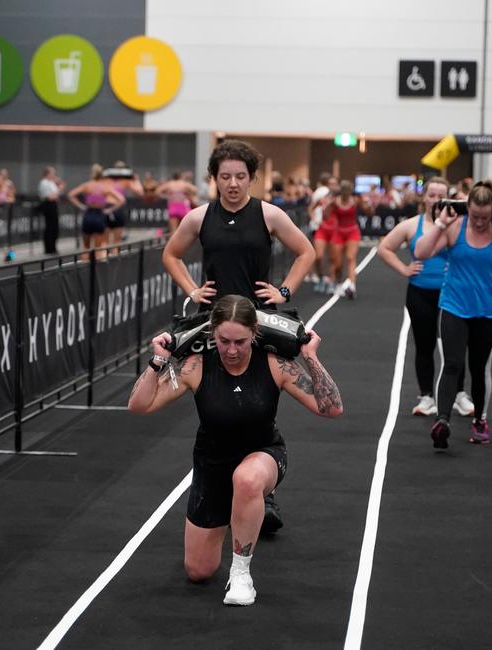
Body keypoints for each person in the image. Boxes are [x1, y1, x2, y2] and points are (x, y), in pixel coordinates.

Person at [127, 295, 342, 606]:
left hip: (264, 454)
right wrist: (158, 360)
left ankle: (241, 574)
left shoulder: (274, 363)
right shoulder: (195, 366)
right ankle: (241, 513)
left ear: (254, 333)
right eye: (223, 340)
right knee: (199, 571)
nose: (231, 350)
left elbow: (331, 408)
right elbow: (139, 406)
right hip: (212, 463)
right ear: (212, 334)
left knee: (247, 480)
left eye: (240, 342)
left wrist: (310, 357)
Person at [162, 139, 316, 533]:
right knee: (215, 403)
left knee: (258, 403)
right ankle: (219, 485)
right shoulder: (198, 218)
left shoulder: (269, 214)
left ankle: (262, 491)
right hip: (215, 325)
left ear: (252, 178)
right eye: (225, 176)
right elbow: (171, 254)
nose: (233, 183)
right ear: (214, 178)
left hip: (258, 324)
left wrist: (283, 291)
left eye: (241, 176)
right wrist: (191, 290)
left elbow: (306, 252)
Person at [414, 179, 492, 449]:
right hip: (454, 306)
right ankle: (442, 421)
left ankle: (480, 420)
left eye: (484, 217)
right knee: (452, 364)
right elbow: (421, 252)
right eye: (474, 216)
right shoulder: (455, 227)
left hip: (488, 311)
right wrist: (441, 224)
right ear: (468, 211)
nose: (478, 222)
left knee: (480, 369)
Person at [377, 176, 474, 416]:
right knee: (424, 345)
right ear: (424, 197)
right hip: (420, 293)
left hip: (451, 295)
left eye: (441, 196)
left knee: (455, 346)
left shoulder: (459, 225)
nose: (436, 200)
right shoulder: (412, 225)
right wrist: (404, 269)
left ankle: (459, 394)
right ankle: (427, 396)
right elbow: (384, 248)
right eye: (431, 195)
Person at [68, 164, 125, 259]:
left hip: (88, 214)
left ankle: (84, 270)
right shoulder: (105, 187)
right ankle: (97, 271)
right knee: (99, 247)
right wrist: (109, 210)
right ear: (102, 175)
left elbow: (71, 195)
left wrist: (81, 206)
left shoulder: (87, 185)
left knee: (86, 247)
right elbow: (122, 199)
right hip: (99, 215)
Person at [323, 179, 362, 298]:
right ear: (341, 191)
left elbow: (369, 211)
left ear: (351, 191)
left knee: (350, 257)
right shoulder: (335, 202)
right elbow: (326, 216)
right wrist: (329, 205)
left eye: (348, 191)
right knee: (337, 263)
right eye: (344, 191)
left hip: (352, 232)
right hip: (339, 232)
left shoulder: (355, 201)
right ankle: (338, 284)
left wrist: (367, 204)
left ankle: (352, 286)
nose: (346, 193)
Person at [308, 174, 339, 292]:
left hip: (335, 230)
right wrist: (314, 219)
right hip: (322, 229)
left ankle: (332, 280)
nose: (333, 186)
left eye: (335, 184)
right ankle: (321, 278)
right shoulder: (323, 197)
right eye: (330, 184)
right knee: (319, 256)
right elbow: (311, 208)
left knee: (333, 257)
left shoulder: (340, 198)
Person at [108, 161, 144, 255]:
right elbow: (140, 193)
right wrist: (136, 179)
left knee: (104, 242)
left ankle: (102, 262)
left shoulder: (107, 180)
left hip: (106, 208)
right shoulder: (125, 181)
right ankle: (113, 263)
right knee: (116, 241)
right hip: (117, 208)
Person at [38, 166, 65, 255]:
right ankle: (48, 248)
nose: (54, 175)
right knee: (49, 227)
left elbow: (57, 195)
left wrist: (59, 185)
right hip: (48, 205)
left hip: (53, 205)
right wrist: (59, 188)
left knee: (55, 227)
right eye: (53, 173)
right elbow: (50, 196)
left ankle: (53, 247)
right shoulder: (44, 183)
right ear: (48, 174)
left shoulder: (51, 183)